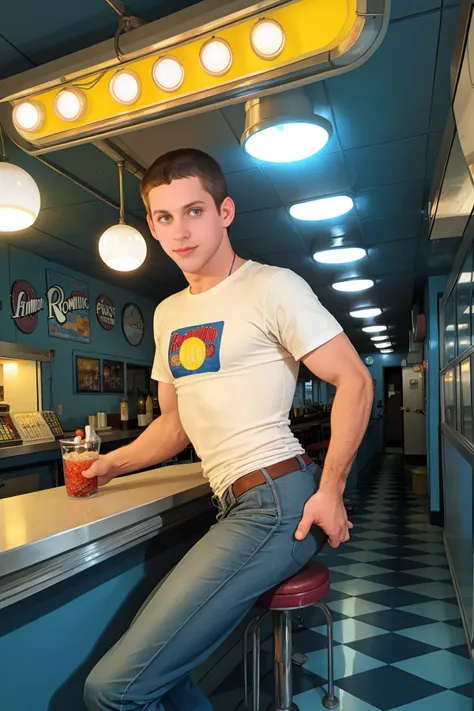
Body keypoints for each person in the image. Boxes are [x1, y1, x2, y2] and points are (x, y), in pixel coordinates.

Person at [83, 148, 373, 711]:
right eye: (165, 218)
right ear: (151, 225)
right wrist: (110, 465)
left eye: (194, 211)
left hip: (277, 501)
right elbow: (175, 425)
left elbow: (355, 381)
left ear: (226, 212)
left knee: (110, 691)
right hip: (237, 506)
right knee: (157, 676)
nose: (180, 231)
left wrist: (332, 488)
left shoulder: (272, 286)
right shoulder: (167, 314)